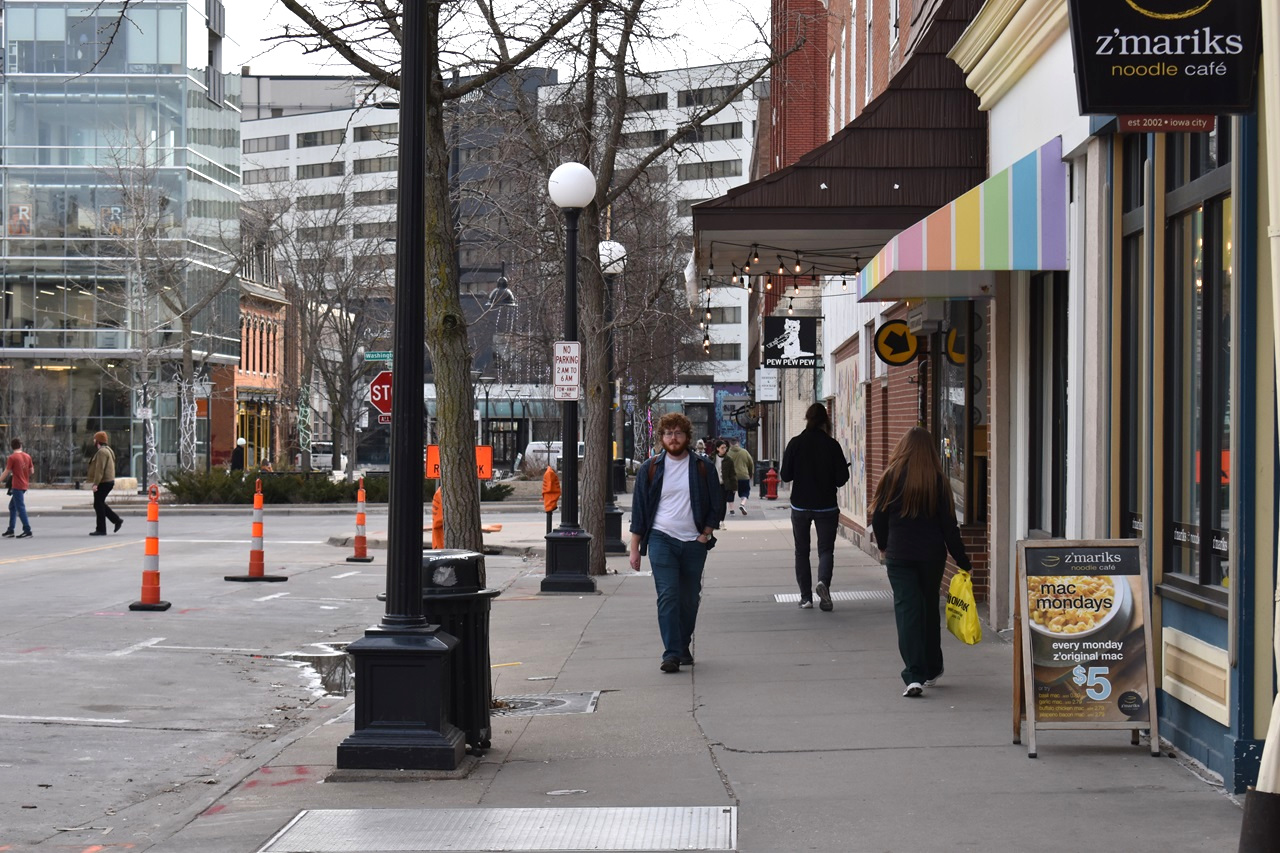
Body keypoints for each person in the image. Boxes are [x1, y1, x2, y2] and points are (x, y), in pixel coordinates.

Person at [870, 427, 971, 697]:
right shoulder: (938, 480)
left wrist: (883, 545)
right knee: (927, 609)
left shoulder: (890, 477)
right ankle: (932, 667)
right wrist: (963, 560)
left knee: (907, 611)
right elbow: (950, 526)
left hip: (899, 556)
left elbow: (878, 518)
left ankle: (913, 674)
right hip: (931, 556)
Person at [629, 412, 723, 673]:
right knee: (668, 595)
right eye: (668, 433)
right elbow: (639, 511)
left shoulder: (703, 467)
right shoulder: (651, 468)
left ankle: (682, 646)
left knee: (690, 598)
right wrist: (635, 547)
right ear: (661, 437)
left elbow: (717, 505)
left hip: (694, 542)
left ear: (687, 436)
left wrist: (705, 534)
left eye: (678, 433)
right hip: (661, 540)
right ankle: (671, 653)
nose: (673, 438)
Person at [780, 404, 850, 611]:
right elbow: (841, 479)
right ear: (825, 421)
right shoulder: (832, 445)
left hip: (800, 506)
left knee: (801, 551)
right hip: (826, 506)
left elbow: (785, 476)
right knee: (826, 550)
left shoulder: (795, 443)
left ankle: (805, 597)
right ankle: (823, 584)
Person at [87, 431, 123, 536]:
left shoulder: (102, 452)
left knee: (98, 504)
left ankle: (101, 529)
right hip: (108, 481)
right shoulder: (108, 450)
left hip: (104, 482)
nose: (93, 440)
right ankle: (116, 520)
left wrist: (95, 484)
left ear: (98, 441)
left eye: (95, 439)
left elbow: (100, 469)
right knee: (99, 503)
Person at [2, 438, 35, 539]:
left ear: (12, 447)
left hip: (17, 485)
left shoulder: (12, 458)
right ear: (20, 445)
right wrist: (24, 475)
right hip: (24, 484)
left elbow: (6, 471)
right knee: (12, 506)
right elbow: (32, 471)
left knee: (20, 507)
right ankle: (11, 529)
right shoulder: (27, 456)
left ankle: (27, 530)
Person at [727, 437, 754, 515]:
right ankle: (742, 504)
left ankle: (732, 511)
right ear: (738, 443)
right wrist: (750, 473)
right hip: (744, 476)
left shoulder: (728, 453)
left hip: (732, 477)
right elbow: (751, 463)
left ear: (730, 444)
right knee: (745, 492)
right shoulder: (744, 452)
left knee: (730, 493)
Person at [714, 439, 736, 529]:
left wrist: (734, 487)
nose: (724, 450)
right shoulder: (712, 458)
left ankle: (721, 521)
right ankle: (715, 522)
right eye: (722, 448)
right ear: (717, 448)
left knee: (722, 504)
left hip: (724, 485)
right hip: (714, 485)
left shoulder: (729, 460)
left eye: (725, 448)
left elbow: (732, 474)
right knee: (715, 504)